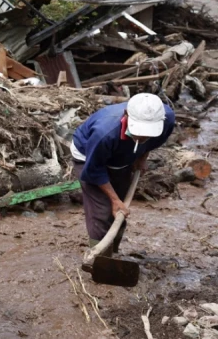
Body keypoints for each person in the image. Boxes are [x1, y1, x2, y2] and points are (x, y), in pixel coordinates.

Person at [71, 93, 175, 269]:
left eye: (147, 134)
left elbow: (152, 142)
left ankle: (113, 253)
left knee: (120, 211)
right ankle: (99, 261)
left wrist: (141, 158)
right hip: (88, 156)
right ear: (126, 115)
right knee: (102, 210)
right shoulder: (104, 132)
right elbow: (94, 169)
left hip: (122, 157)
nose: (142, 138)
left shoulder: (167, 119)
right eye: (139, 132)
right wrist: (114, 199)